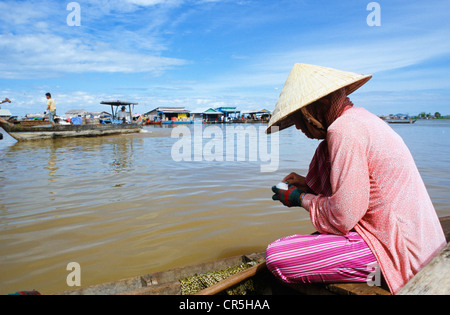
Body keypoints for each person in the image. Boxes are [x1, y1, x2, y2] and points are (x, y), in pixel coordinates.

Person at [265, 63, 446, 295]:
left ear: (317, 106)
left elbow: (342, 217)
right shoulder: (361, 120)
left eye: (298, 118)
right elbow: (357, 195)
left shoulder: (343, 130)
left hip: (398, 249)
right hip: (421, 244)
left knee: (277, 254)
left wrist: (300, 197)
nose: (298, 127)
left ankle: (387, 273)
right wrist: (308, 187)